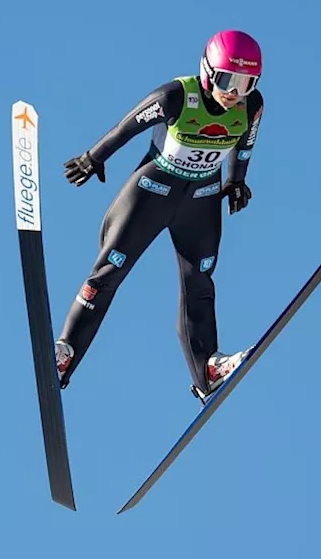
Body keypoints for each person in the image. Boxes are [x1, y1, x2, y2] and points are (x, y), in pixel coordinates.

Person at [55, 29, 265, 403]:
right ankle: (65, 353)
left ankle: (208, 371)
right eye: (228, 79)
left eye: (247, 83)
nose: (235, 91)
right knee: (109, 272)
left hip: (201, 199)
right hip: (152, 192)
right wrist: (93, 158)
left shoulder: (251, 106)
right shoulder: (176, 96)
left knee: (200, 283)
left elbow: (245, 145)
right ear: (207, 72)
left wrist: (236, 182)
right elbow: (126, 128)